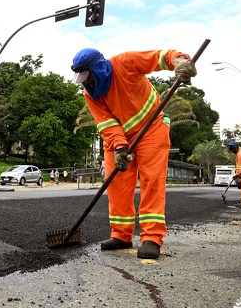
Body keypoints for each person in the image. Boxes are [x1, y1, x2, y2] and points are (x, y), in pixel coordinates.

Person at [72, 47, 196, 259]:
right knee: (117, 185)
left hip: (152, 129)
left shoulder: (126, 62)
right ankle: (121, 234)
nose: (87, 82)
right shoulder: (89, 92)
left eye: (89, 76)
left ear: (99, 68)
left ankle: (152, 238)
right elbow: (106, 122)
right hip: (119, 139)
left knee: (152, 182)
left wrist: (180, 61)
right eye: (83, 78)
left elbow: (161, 57)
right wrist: (119, 147)